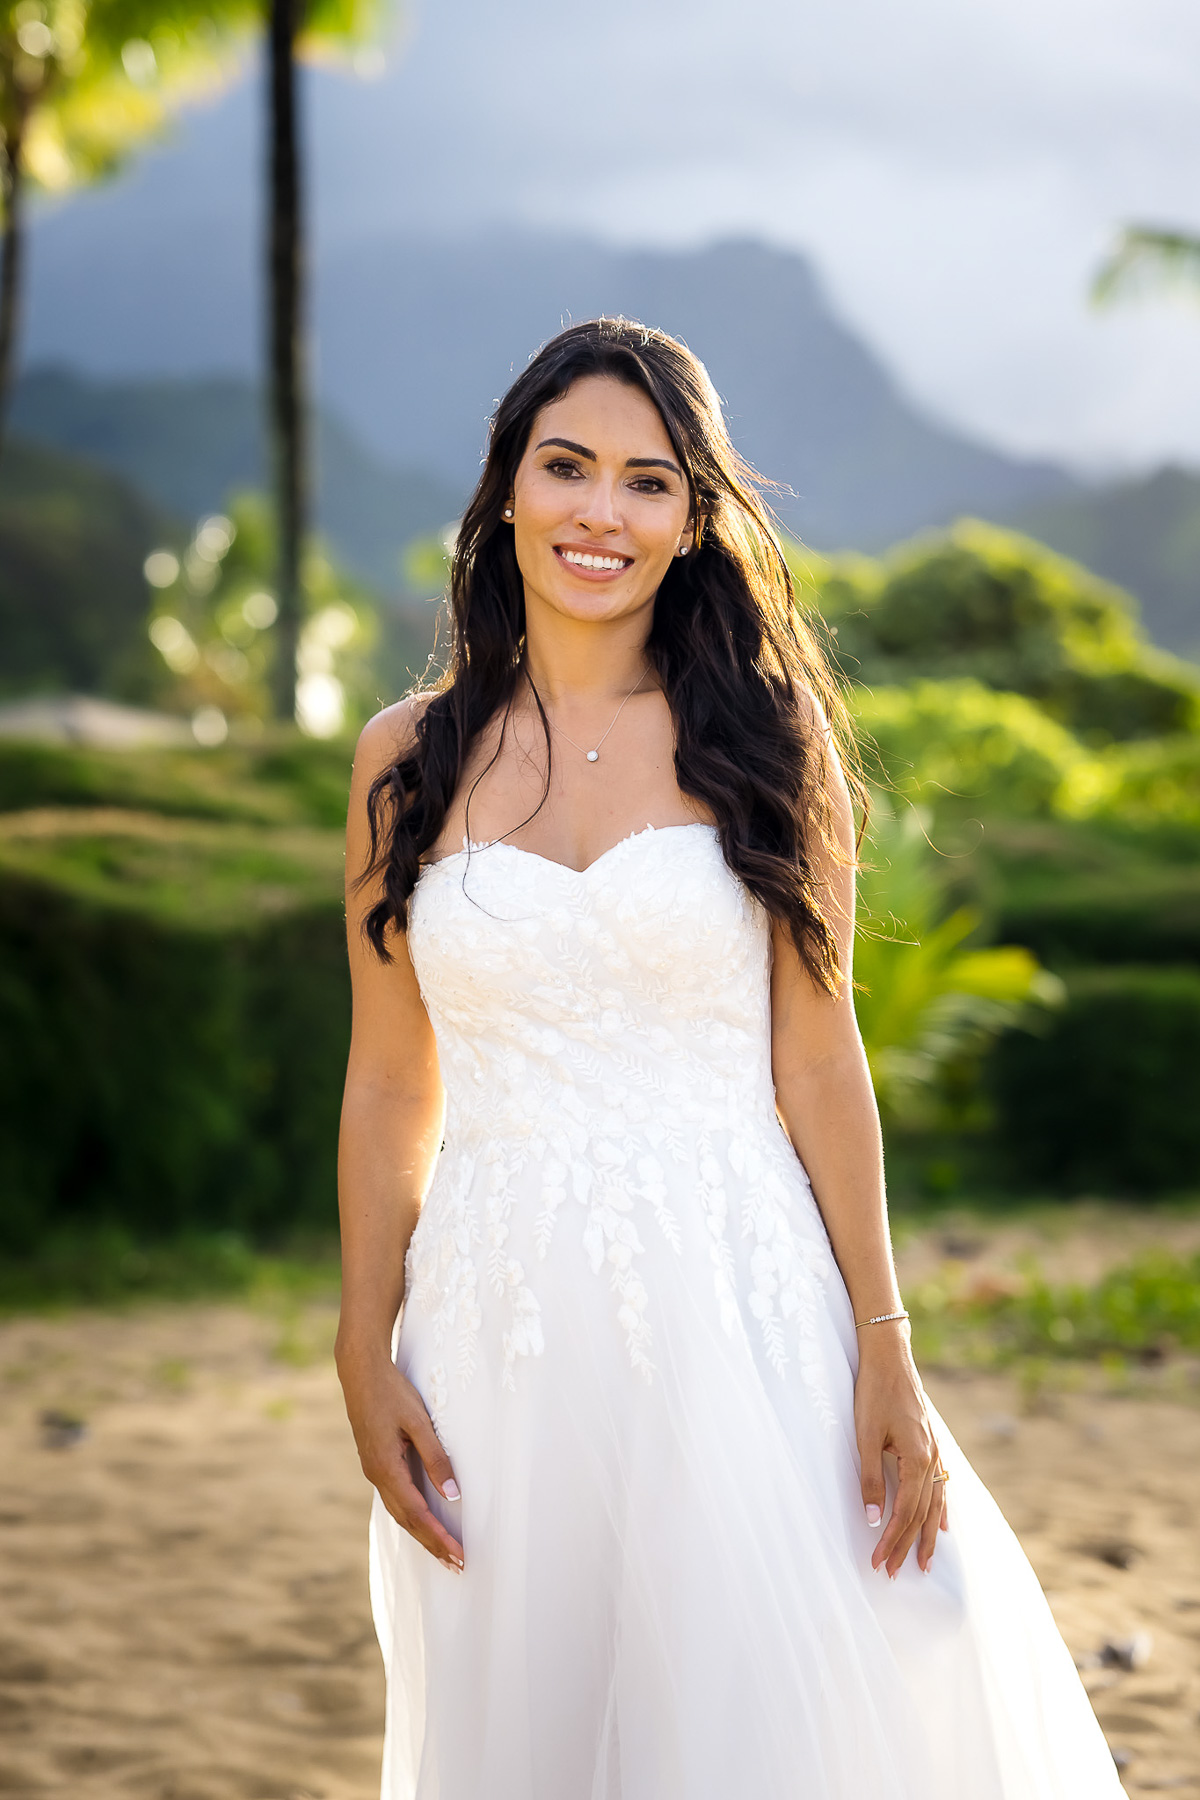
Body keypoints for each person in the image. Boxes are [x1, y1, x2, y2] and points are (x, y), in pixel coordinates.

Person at [335, 318, 1124, 1800]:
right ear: (507, 487)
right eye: (567, 468)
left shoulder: (768, 745)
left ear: (694, 521)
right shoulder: (405, 758)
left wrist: (887, 1345)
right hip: (496, 1328)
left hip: (743, 1307)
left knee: (835, 1691)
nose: (600, 515)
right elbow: (391, 1081)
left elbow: (822, 1066)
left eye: (647, 483)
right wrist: (360, 1340)